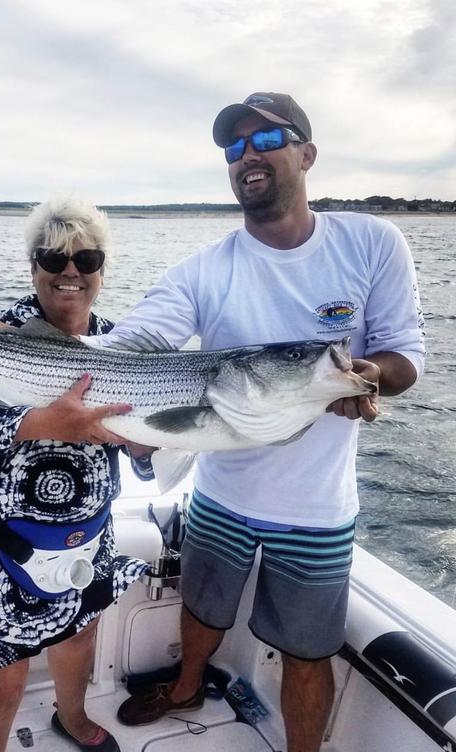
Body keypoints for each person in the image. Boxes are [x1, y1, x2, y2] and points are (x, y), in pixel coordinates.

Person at [76, 93, 425, 751]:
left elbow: (406, 355)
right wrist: (8, 338)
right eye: (235, 148)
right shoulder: (207, 269)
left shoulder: (372, 243)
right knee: (203, 610)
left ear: (307, 153)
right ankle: (185, 687)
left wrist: (369, 377)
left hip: (318, 506)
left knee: (307, 651)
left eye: (267, 140)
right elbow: (132, 343)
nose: (248, 156)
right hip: (221, 490)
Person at [0, 196, 154, 752]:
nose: (70, 272)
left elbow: (146, 448)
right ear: (33, 268)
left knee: (79, 639)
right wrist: (42, 424)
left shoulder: (122, 344)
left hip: (88, 534)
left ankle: (70, 718)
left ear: (101, 271)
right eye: (53, 259)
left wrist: (147, 446)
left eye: (87, 259)